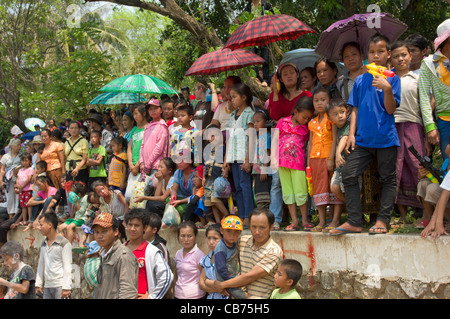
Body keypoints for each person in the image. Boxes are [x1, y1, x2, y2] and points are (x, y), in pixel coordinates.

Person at [331, 34, 401, 235]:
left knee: (388, 179)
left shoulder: (393, 78)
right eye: (372, 52)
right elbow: (355, 110)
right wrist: (352, 134)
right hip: (362, 139)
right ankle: (354, 220)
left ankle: (382, 220)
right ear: (367, 55)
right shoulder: (361, 80)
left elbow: (390, 110)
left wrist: (387, 89)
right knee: (348, 173)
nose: (376, 55)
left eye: (380, 51)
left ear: (388, 54)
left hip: (386, 138)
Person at [390, 41, 426, 224]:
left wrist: (428, 132)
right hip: (393, 128)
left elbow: (427, 104)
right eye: (396, 56)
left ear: (410, 56)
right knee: (398, 169)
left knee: (417, 166)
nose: (401, 59)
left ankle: (426, 214)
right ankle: (403, 217)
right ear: (391, 58)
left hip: (414, 126)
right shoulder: (388, 79)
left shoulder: (417, 78)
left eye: (404, 55)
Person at [213, 207, 282, 299]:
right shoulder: (242, 241)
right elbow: (218, 255)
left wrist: (221, 285)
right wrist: (204, 280)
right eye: (253, 227)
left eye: (262, 227)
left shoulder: (274, 251)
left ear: (271, 227)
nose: (257, 232)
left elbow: (250, 277)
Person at [271, 96, 314, 231]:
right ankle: (294, 221)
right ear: (295, 112)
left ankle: (305, 220)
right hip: (283, 164)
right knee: (288, 193)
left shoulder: (306, 129)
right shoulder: (282, 122)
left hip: (298, 164)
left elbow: (307, 145)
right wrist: (273, 158)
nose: (306, 120)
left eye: (308, 118)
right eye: (304, 117)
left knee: (301, 192)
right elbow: (274, 140)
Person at [307, 87, 342, 232]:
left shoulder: (331, 118)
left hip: (329, 157)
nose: (319, 103)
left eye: (323, 100)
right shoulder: (312, 122)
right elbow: (310, 142)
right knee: (319, 190)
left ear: (329, 101)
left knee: (333, 188)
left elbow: (335, 138)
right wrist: (308, 163)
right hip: (315, 159)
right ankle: (321, 221)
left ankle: (335, 219)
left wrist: (331, 158)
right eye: (316, 100)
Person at [223, 83, 255, 227]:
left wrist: (248, 159)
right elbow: (229, 137)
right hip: (233, 156)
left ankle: (249, 215)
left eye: (235, 97)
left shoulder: (249, 114)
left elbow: (251, 137)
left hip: (243, 156)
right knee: (238, 187)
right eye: (231, 97)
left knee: (245, 185)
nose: (232, 100)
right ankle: (241, 215)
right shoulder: (232, 116)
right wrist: (226, 160)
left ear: (244, 97)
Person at [418, 19, 450, 161]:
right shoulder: (429, 63)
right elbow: (424, 96)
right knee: (448, 164)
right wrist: (430, 127)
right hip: (444, 120)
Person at [124, 208, 173, 299]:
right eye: (130, 225)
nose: (132, 229)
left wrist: (152, 297)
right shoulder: (121, 249)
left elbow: (167, 276)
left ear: (145, 227)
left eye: (137, 225)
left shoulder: (151, 251)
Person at [93, 212, 138, 299]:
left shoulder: (123, 256)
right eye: (96, 232)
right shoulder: (104, 254)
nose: (99, 236)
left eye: (104, 231)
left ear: (116, 232)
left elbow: (128, 293)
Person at [327, 99, 353, 230]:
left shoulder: (349, 124)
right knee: (334, 187)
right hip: (339, 166)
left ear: (347, 112)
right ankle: (352, 207)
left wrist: (338, 154)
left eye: (342, 112)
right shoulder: (336, 128)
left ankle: (354, 213)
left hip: (348, 164)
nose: (340, 116)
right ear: (330, 118)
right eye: (335, 114)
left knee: (349, 189)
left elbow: (345, 138)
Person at [35, 212, 72, 299]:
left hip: (60, 286)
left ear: (50, 225)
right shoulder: (43, 244)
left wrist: (66, 287)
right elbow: (41, 265)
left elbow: (68, 266)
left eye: (41, 225)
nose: (39, 228)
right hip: (47, 285)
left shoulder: (64, 243)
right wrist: (38, 284)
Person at [214, 215, 247, 299]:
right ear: (222, 231)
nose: (232, 235)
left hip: (234, 278)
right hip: (226, 280)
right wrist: (232, 282)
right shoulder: (221, 248)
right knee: (242, 297)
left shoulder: (235, 244)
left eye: (236, 232)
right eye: (228, 231)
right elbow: (221, 268)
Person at [174, 221, 206, 299]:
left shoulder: (199, 255)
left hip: (196, 296)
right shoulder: (178, 253)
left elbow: (205, 278)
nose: (186, 239)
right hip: (178, 295)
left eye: (189, 236)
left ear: (195, 236)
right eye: (182, 236)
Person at [139, 98, 170, 178]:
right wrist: (141, 162)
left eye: (156, 108)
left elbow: (159, 148)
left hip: (157, 166)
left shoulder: (162, 126)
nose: (153, 111)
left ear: (161, 110)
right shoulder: (148, 126)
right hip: (146, 166)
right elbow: (142, 145)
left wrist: (148, 164)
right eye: (150, 109)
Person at [125, 104, 149, 202]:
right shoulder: (134, 130)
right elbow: (129, 148)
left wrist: (138, 164)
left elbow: (147, 148)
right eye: (133, 114)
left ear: (144, 113)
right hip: (133, 166)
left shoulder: (148, 128)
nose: (134, 117)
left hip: (143, 165)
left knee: (140, 196)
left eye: (136, 114)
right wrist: (130, 163)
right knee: (129, 196)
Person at [252, 108, 273, 209]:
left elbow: (267, 152)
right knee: (258, 190)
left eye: (258, 121)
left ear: (266, 122)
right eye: (254, 122)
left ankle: (265, 212)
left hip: (264, 169)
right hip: (258, 170)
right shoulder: (258, 135)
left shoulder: (266, 135)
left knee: (264, 192)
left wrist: (264, 169)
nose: (255, 124)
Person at [199, 223, 226, 299]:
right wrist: (220, 289)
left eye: (215, 238)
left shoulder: (229, 258)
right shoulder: (205, 260)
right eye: (209, 238)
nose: (211, 242)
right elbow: (201, 284)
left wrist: (208, 283)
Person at [0, 138, 22, 217]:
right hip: (8, 180)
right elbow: (2, 169)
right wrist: (1, 181)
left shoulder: (21, 155)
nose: (19, 147)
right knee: (9, 198)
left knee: (17, 197)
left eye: (20, 145)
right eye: (17, 145)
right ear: (12, 146)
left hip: (18, 179)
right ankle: (10, 216)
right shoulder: (5, 157)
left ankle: (16, 216)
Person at [64, 120, 89, 186]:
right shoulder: (66, 142)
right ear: (68, 129)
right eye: (71, 128)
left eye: (76, 128)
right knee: (69, 189)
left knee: (80, 189)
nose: (73, 130)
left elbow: (85, 157)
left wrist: (77, 168)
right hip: (69, 169)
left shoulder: (83, 141)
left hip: (80, 169)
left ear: (79, 129)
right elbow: (66, 157)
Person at [15, 153, 34, 226]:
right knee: (23, 206)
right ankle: (24, 220)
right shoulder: (20, 170)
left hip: (27, 189)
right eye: (23, 161)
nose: (24, 162)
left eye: (26, 161)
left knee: (28, 205)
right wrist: (18, 186)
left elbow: (29, 179)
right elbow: (18, 179)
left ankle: (29, 219)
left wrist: (22, 186)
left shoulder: (30, 169)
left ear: (29, 161)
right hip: (21, 190)